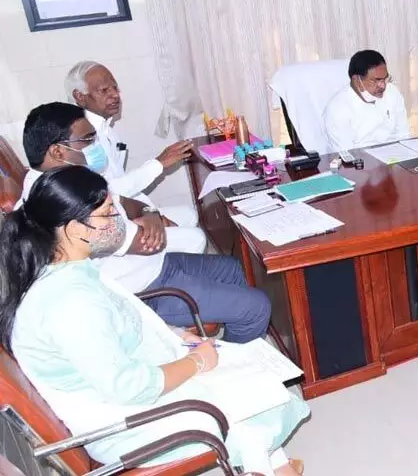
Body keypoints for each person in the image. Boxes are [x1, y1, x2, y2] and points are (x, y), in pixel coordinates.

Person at [1, 167, 309, 475]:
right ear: (74, 229)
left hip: (133, 387)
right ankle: (271, 466)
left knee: (253, 381)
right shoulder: (69, 302)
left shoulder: (69, 268)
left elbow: (120, 320)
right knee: (255, 399)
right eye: (108, 214)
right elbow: (127, 387)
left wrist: (175, 335)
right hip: (127, 423)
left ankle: (272, 466)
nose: (119, 221)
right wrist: (196, 363)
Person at [19, 103, 270, 343]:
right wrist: (149, 224)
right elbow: (144, 243)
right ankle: (237, 365)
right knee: (256, 307)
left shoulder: (71, 178)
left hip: (153, 266)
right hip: (144, 292)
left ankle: (233, 341)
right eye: (87, 140)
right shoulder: (54, 200)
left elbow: (127, 203)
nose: (94, 146)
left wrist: (149, 212)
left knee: (232, 269)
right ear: (57, 151)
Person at [66, 61, 199, 236]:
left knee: (189, 215)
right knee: (196, 237)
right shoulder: (80, 140)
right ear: (80, 96)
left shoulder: (106, 129)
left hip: (124, 209)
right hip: (108, 225)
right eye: (104, 90)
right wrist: (158, 164)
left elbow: (122, 185)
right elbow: (106, 194)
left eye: (115, 88)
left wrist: (151, 212)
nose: (115, 95)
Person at [321, 50, 410, 153]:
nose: (383, 86)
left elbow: (404, 136)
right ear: (356, 81)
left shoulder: (392, 92)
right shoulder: (337, 109)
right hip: (362, 163)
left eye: (385, 79)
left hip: (396, 157)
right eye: (376, 81)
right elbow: (347, 155)